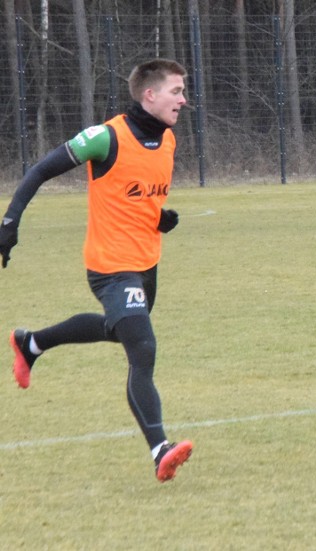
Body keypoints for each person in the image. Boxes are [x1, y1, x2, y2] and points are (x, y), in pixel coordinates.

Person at [0, 59, 194, 483]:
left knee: (116, 329)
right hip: (110, 265)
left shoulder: (168, 141)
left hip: (147, 262)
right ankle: (160, 449)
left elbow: (135, 195)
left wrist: (159, 218)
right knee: (141, 348)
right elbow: (39, 170)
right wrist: (10, 222)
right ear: (150, 94)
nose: (183, 99)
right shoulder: (104, 137)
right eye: (177, 91)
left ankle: (31, 344)